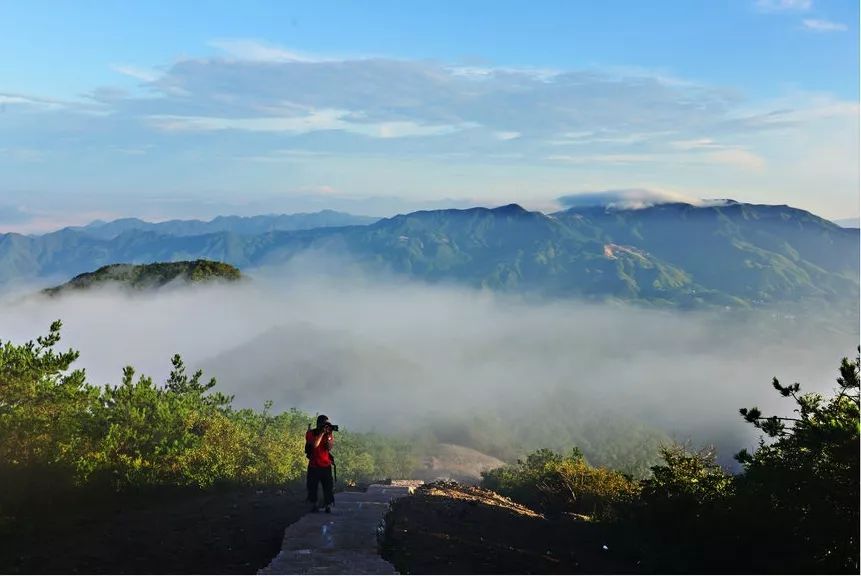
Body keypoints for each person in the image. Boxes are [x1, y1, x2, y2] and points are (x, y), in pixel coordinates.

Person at [305, 414, 335, 513]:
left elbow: (329, 447)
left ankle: (328, 505)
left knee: (328, 487)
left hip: (326, 465)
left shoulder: (329, 434)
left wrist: (328, 435)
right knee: (312, 487)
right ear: (319, 424)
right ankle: (314, 505)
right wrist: (321, 434)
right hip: (314, 465)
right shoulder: (311, 433)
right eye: (325, 424)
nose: (326, 426)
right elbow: (315, 445)